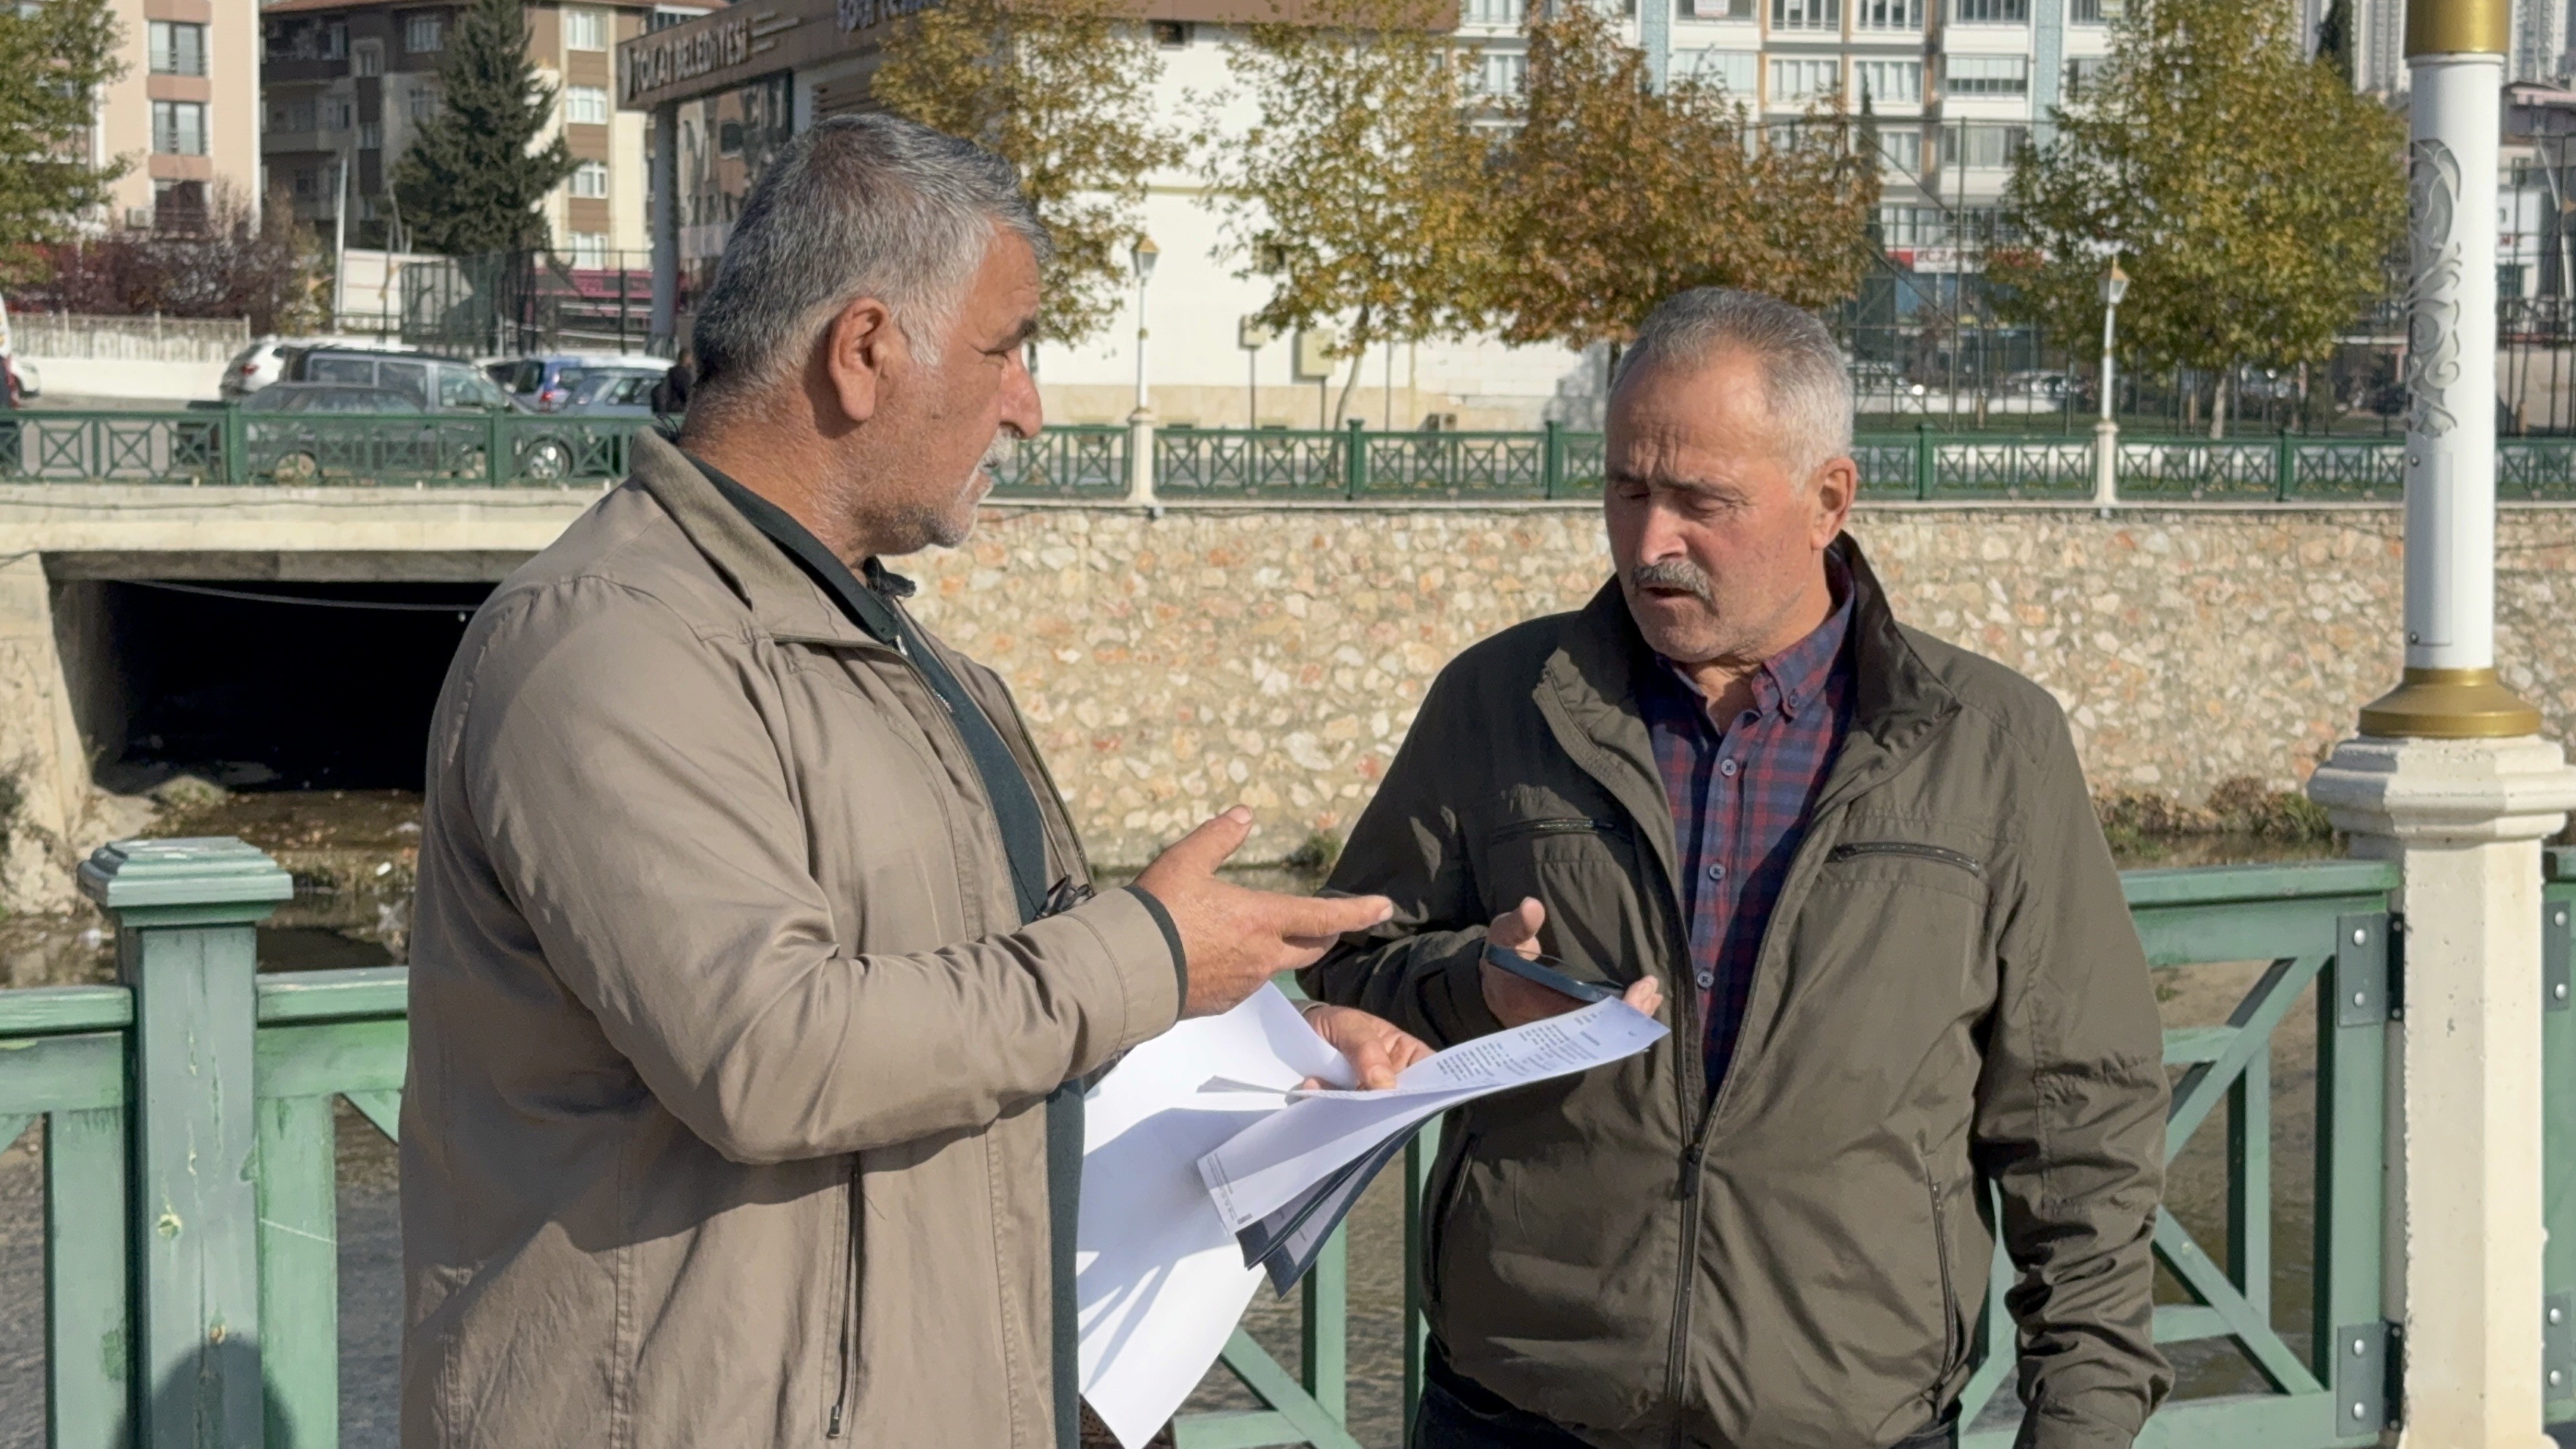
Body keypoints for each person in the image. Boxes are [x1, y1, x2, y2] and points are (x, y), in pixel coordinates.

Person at [401, 114, 1428, 1449]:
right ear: (866, 351)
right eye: (1004, 350)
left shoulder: (911, 661)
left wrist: (1267, 1052)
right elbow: (770, 1052)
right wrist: (1144, 956)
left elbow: (1009, 994)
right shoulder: (610, 645)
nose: (1028, 405)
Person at [1305, 288, 2171, 1449]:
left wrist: (2083, 1422)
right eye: (1625, 490)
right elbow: (1345, 973)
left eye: (1701, 502)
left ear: (1830, 499)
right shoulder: (1498, 702)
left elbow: (2082, 1124)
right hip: (1520, 1412)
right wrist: (1475, 989)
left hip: (1851, 1418)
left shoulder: (1990, 741)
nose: (1651, 542)